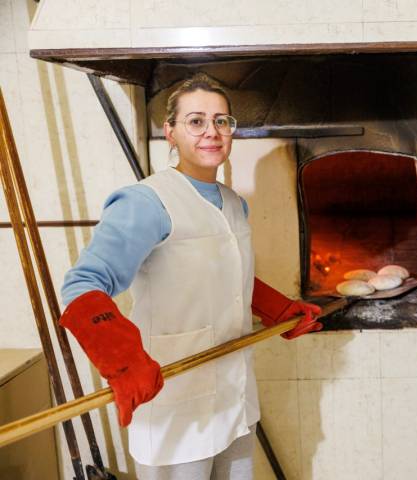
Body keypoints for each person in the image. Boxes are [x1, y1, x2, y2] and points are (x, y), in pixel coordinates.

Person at [59, 73, 321, 480]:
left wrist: (279, 309)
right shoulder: (147, 202)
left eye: (221, 121)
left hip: (234, 401)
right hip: (176, 406)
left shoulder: (234, 203)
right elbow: (82, 286)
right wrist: (123, 361)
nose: (211, 132)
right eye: (196, 121)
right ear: (170, 133)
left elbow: (231, 278)